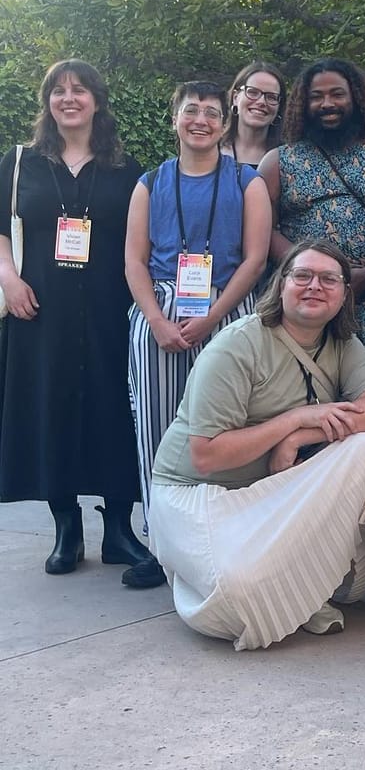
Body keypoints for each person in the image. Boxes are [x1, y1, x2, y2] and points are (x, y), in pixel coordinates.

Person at [149, 241, 365, 650]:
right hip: (197, 494)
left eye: (329, 279)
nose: (315, 286)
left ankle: (294, 586)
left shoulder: (342, 344)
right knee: (234, 598)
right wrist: (292, 420)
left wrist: (301, 437)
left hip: (271, 492)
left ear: (344, 295)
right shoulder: (237, 345)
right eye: (302, 275)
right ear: (281, 285)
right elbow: (206, 455)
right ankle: (294, 589)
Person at [0, 60, 146, 579]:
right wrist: (9, 280)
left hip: (110, 310)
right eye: (58, 91)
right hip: (39, 311)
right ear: (48, 102)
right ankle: (66, 527)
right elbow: (1, 230)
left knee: (114, 412)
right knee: (50, 409)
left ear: (97, 100)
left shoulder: (126, 170)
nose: (69, 98)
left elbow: (141, 243)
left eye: (79, 90)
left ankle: (120, 533)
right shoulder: (21, 163)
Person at [123, 80, 272, 589]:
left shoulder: (247, 180)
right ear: (175, 119)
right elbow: (133, 260)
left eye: (212, 112)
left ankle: (222, 537)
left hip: (227, 307)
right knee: (157, 428)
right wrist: (157, 321)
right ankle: (160, 545)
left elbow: (255, 259)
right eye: (191, 111)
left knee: (227, 428)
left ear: (224, 123)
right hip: (162, 309)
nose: (201, 120)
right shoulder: (150, 182)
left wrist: (213, 316)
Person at [258, 58, 365, 378]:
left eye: (337, 94)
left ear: (356, 98)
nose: (327, 104)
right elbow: (263, 231)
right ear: (302, 103)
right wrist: (314, 273)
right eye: (316, 96)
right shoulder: (278, 162)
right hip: (306, 299)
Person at [222, 61, 286, 168]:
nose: (261, 102)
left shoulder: (288, 159)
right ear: (235, 98)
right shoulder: (210, 150)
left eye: (271, 97)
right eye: (252, 92)